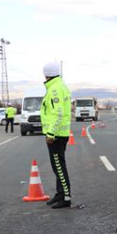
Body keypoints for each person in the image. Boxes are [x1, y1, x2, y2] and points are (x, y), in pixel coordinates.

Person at [41, 61, 73, 209]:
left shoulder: (55, 89)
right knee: (58, 166)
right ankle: (60, 194)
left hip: (56, 134)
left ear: (46, 74)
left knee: (59, 167)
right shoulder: (59, 86)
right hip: (60, 133)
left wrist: (51, 133)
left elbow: (58, 113)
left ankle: (66, 197)